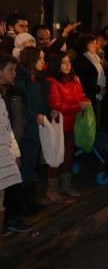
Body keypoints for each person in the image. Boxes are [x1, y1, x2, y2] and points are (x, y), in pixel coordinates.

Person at [46, 52, 90, 202]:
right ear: (56, 65)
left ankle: (66, 186)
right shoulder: (52, 82)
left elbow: (81, 95)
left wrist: (85, 101)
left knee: (69, 157)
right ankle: (52, 190)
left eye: (69, 62)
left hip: (73, 125)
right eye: (63, 62)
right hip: (59, 126)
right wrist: (78, 105)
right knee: (56, 158)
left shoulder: (75, 80)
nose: (67, 65)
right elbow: (56, 104)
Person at [14, 47, 51, 212]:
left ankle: (30, 200)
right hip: (26, 130)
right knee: (26, 166)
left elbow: (40, 103)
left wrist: (49, 112)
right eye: (41, 58)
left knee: (31, 166)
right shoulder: (21, 79)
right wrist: (34, 116)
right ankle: (23, 204)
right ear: (32, 59)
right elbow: (20, 107)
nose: (43, 61)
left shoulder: (35, 78)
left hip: (36, 129)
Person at [0, 54, 25, 234]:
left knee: (1, 202)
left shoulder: (2, 98)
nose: (14, 73)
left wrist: (15, 152)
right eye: (11, 69)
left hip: (4, 158)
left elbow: (7, 127)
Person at [72, 34, 106, 121]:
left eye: (96, 43)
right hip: (88, 95)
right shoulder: (81, 59)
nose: (96, 45)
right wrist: (99, 89)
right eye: (93, 43)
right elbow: (85, 80)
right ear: (85, 45)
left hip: (96, 93)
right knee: (91, 121)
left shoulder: (95, 57)